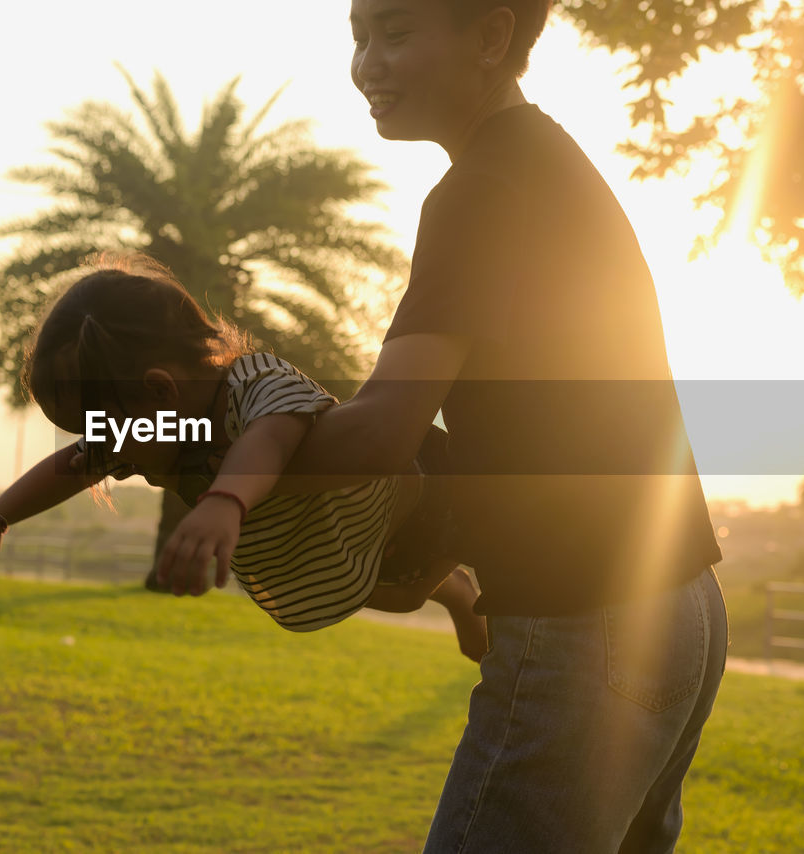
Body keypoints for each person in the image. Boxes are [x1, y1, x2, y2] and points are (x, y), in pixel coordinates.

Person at [189, 1, 723, 851]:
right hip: (679, 604)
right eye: (359, 38)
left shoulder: (481, 188)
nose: (368, 65)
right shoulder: (540, 166)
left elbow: (381, 430)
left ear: (490, 36)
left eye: (396, 35)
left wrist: (219, 463)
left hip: (589, 618)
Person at [0, 254, 488, 659]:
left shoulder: (255, 382)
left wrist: (224, 499)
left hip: (418, 495)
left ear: (161, 391)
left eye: (106, 428)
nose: (101, 444)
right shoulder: (160, 426)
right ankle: (453, 590)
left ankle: (464, 588)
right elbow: (69, 466)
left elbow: (270, 436)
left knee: (425, 577)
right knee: (394, 593)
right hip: (339, 549)